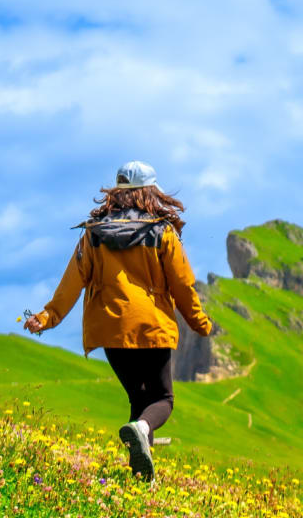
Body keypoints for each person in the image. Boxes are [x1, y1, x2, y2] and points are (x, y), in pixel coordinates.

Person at [24, 161, 212, 481]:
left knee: (139, 400)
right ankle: (142, 432)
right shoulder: (161, 232)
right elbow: (182, 284)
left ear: (116, 193)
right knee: (161, 400)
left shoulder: (93, 235)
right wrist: (199, 323)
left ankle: (141, 480)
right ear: (151, 192)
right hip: (150, 327)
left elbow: (72, 281)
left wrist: (48, 316)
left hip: (111, 329)